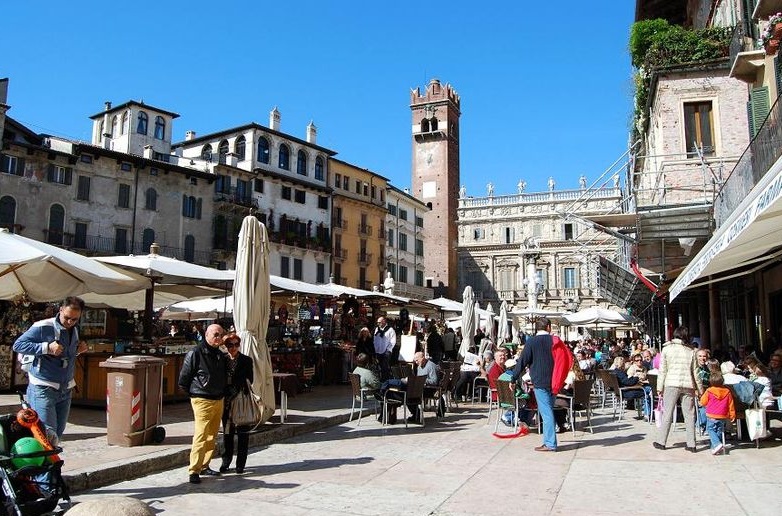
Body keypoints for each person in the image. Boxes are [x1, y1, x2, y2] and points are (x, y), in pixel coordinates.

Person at [13, 296, 89, 442]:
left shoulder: (74, 329)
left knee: (57, 435)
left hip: (65, 390)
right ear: (60, 310)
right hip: (43, 388)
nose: (70, 322)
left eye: (74, 319)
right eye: (67, 318)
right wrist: (46, 347)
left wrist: (77, 351)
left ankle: (51, 457)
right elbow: (18, 345)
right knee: (46, 435)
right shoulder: (42, 326)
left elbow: (64, 355)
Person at [509, 317, 572, 452]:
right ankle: (548, 441)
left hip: (540, 382)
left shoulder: (531, 342)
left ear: (537, 327)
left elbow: (522, 362)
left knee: (546, 412)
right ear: (548, 327)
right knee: (548, 410)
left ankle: (550, 443)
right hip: (555, 381)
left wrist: (513, 378)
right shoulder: (555, 340)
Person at [179, 324, 228, 484]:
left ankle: (205, 465)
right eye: (215, 334)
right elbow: (184, 379)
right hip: (202, 398)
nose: (218, 338)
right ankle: (194, 470)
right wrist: (195, 394)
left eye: (220, 335)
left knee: (212, 435)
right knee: (201, 434)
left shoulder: (220, 354)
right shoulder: (195, 353)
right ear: (206, 335)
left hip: (218, 398)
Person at [652, 326, 700, 453]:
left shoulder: (667, 349)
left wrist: (659, 387)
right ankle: (691, 444)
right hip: (688, 385)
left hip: (671, 384)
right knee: (689, 415)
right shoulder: (691, 351)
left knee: (667, 413)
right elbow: (696, 373)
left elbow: (662, 370)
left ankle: (661, 441)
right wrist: (700, 389)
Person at [220, 333, 253, 474]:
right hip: (226, 400)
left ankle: (240, 464)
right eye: (230, 345)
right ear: (225, 346)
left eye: (236, 344)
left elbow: (250, 379)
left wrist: (236, 387)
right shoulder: (222, 359)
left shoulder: (246, 360)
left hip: (241, 400)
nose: (233, 348)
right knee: (227, 433)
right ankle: (226, 461)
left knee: (243, 433)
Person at [699, 370, 735, 455]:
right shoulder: (727, 391)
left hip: (711, 414)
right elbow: (731, 404)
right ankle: (715, 447)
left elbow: (703, 402)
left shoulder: (709, 391)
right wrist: (732, 415)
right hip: (723, 415)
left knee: (710, 429)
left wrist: (701, 402)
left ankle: (717, 444)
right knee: (719, 430)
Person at [373, 316, 396, 381]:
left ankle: (385, 381)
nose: (378, 324)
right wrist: (375, 348)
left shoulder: (390, 330)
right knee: (378, 367)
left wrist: (388, 350)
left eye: (379, 322)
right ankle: (379, 380)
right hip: (378, 351)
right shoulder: (377, 329)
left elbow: (393, 341)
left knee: (385, 367)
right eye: (377, 322)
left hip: (386, 351)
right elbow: (375, 339)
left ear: (384, 322)